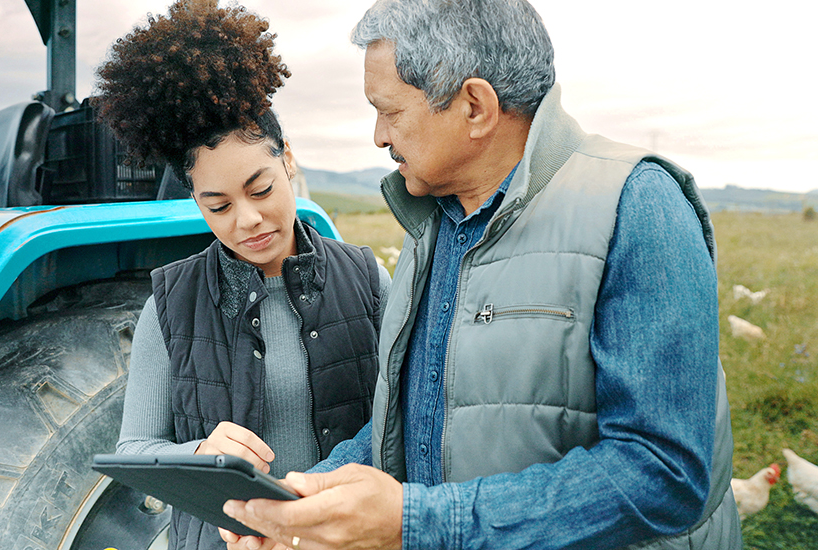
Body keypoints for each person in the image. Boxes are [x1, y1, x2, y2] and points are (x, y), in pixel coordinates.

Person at [220, 0, 740, 549]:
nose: (378, 136)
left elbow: (665, 474)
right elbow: (421, 416)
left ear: (474, 106)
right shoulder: (438, 222)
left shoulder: (637, 203)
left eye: (390, 111)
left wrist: (418, 521)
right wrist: (301, 504)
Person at [91, 2, 392, 549]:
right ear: (196, 204)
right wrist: (198, 455)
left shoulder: (367, 280)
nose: (247, 220)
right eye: (218, 205)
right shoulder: (169, 306)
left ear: (289, 164)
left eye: (260, 190)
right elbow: (134, 449)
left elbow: (411, 416)